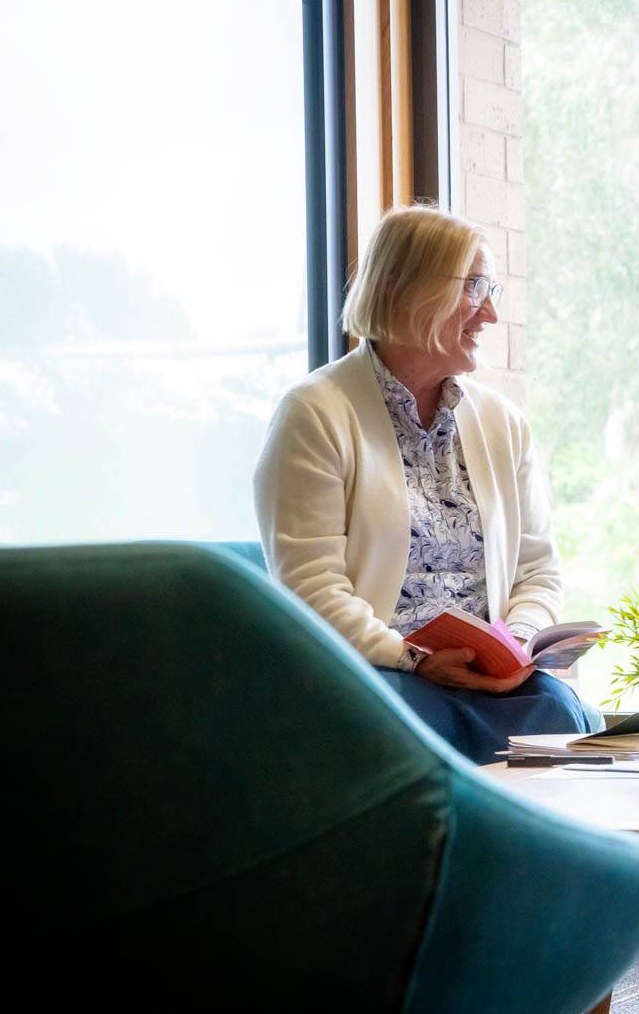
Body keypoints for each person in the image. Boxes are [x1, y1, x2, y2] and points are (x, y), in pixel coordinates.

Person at [253, 204, 599, 762]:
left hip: (492, 680)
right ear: (401, 288)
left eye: (493, 291)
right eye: (474, 287)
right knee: (408, 738)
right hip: (378, 673)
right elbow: (311, 591)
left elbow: (538, 570)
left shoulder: (502, 423)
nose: (489, 314)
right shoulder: (313, 414)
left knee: (558, 714)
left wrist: (516, 646)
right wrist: (413, 657)